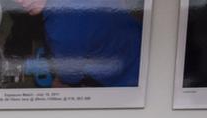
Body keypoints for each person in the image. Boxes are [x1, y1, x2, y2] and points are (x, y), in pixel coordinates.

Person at [10, 0, 143, 88]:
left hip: (130, 77)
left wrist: (61, 81)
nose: (17, 1)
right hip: (137, 38)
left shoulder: (61, 31)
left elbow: (71, 76)